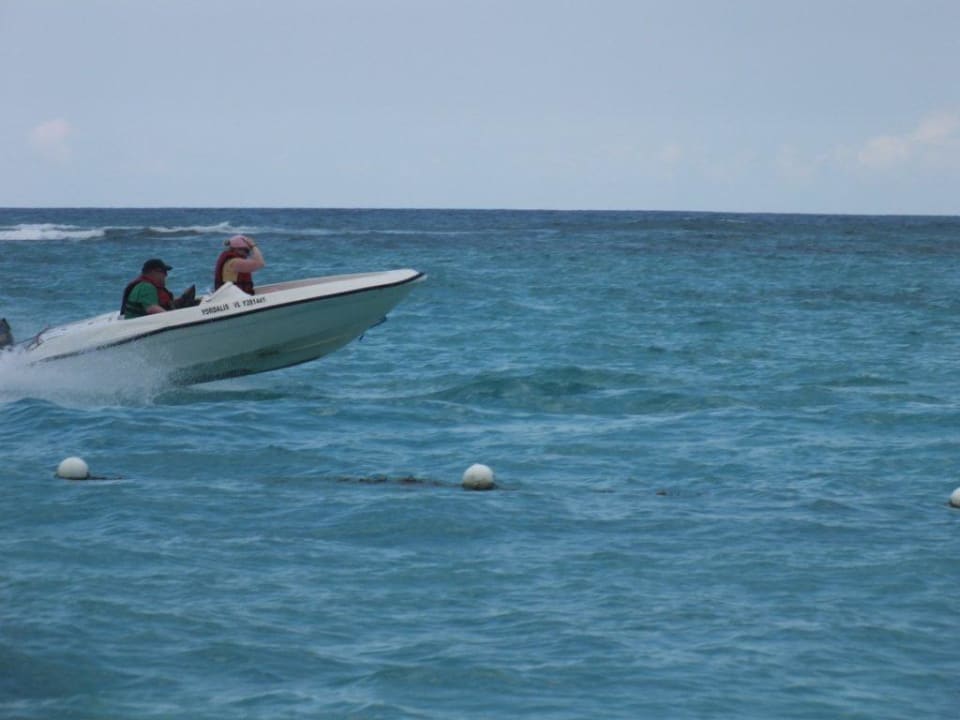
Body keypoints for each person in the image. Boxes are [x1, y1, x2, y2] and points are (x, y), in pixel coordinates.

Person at [121, 258, 196, 319]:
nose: (166, 275)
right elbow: (151, 308)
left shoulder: (144, 285)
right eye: (164, 272)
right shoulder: (146, 287)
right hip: (141, 326)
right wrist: (174, 318)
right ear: (153, 272)